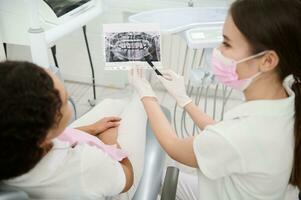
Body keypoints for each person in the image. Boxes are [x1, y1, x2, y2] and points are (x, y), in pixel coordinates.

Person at [130, 0, 301, 199]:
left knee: (152, 177)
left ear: (267, 60)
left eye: (227, 43)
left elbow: (174, 146)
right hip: (241, 188)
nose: (218, 51)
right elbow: (222, 133)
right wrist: (184, 100)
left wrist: (146, 94)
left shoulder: (240, 136)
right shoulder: (288, 100)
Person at [0, 61, 147, 199]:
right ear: (45, 135)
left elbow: (60, 137)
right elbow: (127, 178)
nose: (69, 98)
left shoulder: (16, 148)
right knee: (139, 104)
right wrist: (111, 144)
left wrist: (91, 129)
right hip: (115, 185)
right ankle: (140, 94)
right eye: (65, 101)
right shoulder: (87, 163)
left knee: (111, 103)